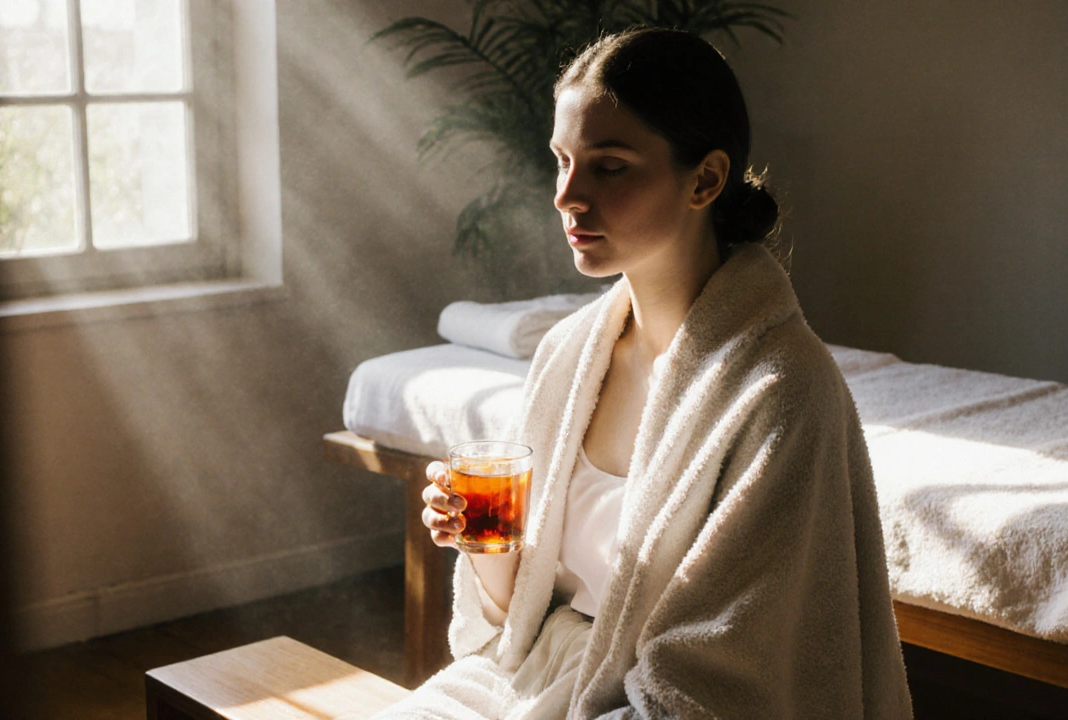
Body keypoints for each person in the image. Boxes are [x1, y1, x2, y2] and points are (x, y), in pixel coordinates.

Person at [376, 28, 912, 719]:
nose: (568, 195)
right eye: (562, 161)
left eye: (610, 166)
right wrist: (482, 543)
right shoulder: (570, 354)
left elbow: (722, 684)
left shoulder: (780, 390)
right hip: (530, 678)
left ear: (706, 180)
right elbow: (518, 618)